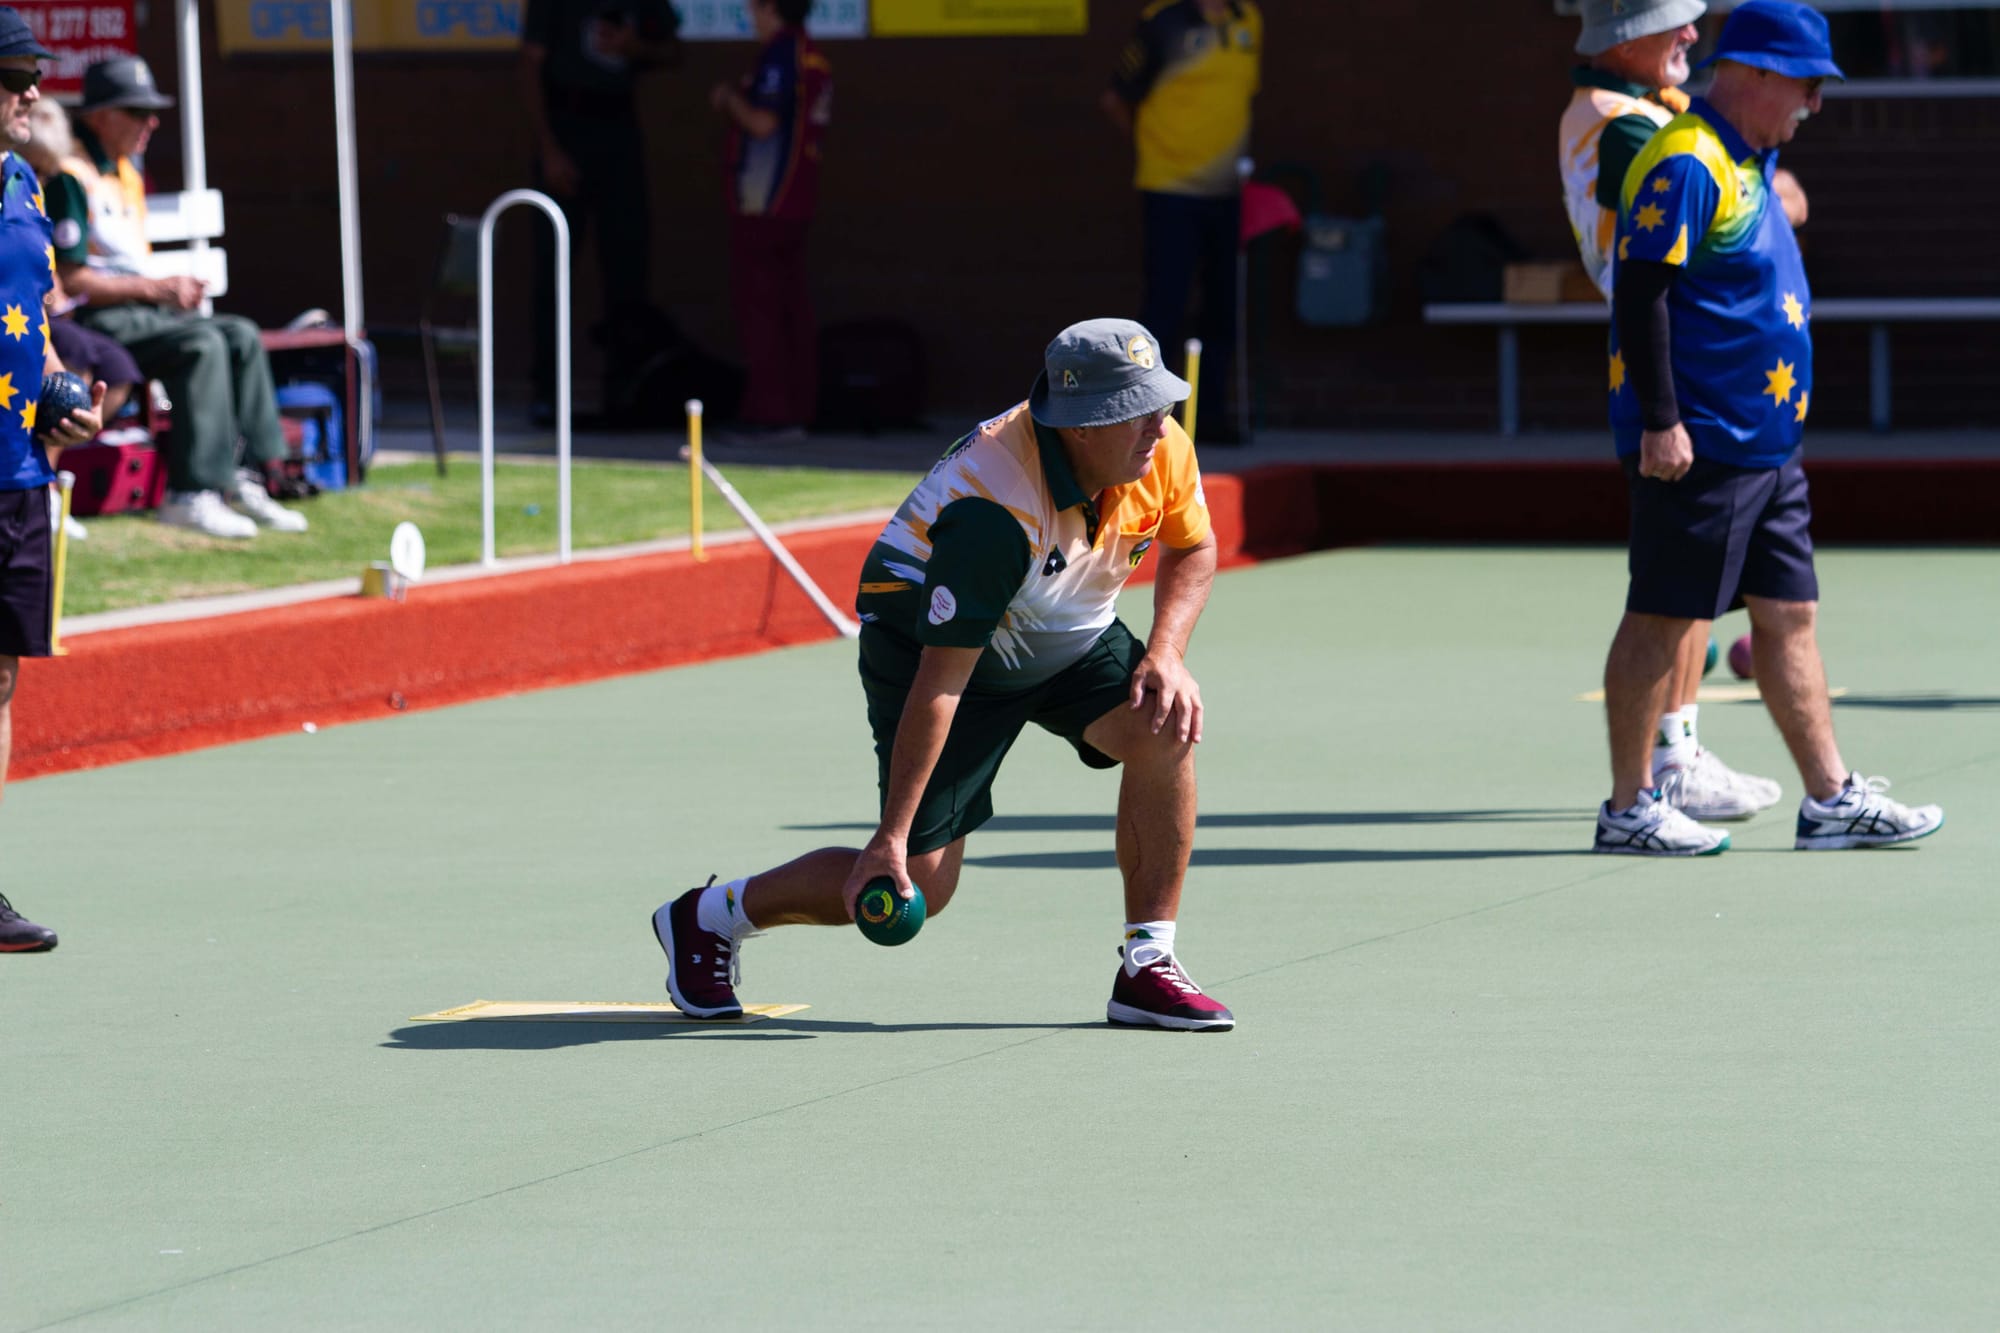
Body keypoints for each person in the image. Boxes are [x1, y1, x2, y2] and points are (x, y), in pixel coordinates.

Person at [653, 317, 1235, 1030]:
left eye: (1160, 404)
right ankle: (709, 916)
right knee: (920, 882)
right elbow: (941, 682)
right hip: (935, 646)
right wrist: (890, 836)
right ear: (1081, 426)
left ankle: (1147, 965)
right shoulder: (994, 506)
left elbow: (1194, 546)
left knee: (1164, 721)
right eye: (1137, 412)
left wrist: (1166, 652)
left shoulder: (1158, 448)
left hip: (1068, 628)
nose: (1159, 424)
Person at [1595, 1, 1944, 855]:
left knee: (1789, 618)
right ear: (1747, 71)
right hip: (1700, 443)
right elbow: (1642, 294)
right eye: (1805, 84)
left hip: (1766, 446)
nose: (1814, 104)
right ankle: (1629, 805)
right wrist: (1663, 423)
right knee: (1662, 618)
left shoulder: (1748, 156)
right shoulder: (1687, 161)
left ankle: (1828, 797)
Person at [1560, 0, 1785, 825]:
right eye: (1674, 21)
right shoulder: (1626, 125)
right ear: (1622, 39)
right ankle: (1662, 761)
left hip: (1693, 358)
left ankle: (1677, 746)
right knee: (1674, 585)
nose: (1694, 34)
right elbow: (1759, 195)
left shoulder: (1646, 113)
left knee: (1692, 588)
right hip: (1673, 365)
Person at [45, 56, 307, 539]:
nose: (152, 123)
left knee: (241, 334)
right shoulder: (70, 176)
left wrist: (166, 288)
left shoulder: (125, 171)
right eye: (139, 112)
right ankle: (191, 494)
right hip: (94, 322)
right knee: (203, 343)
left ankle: (253, 474)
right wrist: (158, 289)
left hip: (140, 313)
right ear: (102, 115)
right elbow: (73, 278)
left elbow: (127, 262)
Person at [0, 7, 107, 953]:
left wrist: (63, 405)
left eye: (34, 73)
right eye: (13, 74)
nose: (32, 89)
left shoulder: (24, 182)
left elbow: (30, 316)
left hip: (20, 469)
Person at [1101, 0, 1262, 444]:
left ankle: (1210, 417)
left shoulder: (1247, 18)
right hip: (1169, 188)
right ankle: (1146, 421)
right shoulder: (1164, 20)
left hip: (1228, 189)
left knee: (1223, 307)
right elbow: (1117, 98)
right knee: (1165, 306)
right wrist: (1155, 148)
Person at [518, 0, 681, 427]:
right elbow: (530, 64)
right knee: (553, 266)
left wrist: (635, 47)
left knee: (628, 263)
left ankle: (624, 389)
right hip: (565, 127)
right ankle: (547, 390)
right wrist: (548, 149)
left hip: (619, 130)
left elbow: (673, 50)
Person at [713, 0, 831, 442]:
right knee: (789, 307)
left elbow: (762, 122)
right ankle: (796, 410)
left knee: (761, 309)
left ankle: (771, 414)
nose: (749, 13)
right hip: (795, 200)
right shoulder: (810, 51)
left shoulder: (784, 53)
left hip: (767, 203)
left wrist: (728, 98)